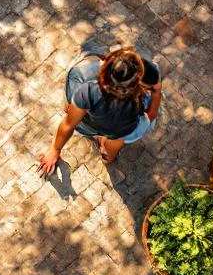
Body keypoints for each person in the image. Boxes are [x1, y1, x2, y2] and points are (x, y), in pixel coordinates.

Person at [37, 44, 162, 176]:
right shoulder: (132, 112)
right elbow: (153, 106)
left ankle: (97, 136)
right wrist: (155, 98)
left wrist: (55, 150)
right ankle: (107, 156)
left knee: (77, 82)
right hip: (117, 130)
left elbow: (68, 124)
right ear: (139, 84)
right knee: (128, 133)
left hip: (87, 124)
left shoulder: (89, 91)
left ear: (105, 70)